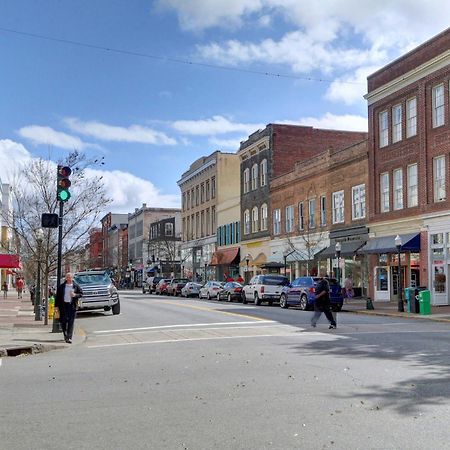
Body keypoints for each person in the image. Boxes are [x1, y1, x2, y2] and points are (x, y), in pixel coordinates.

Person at [55, 272, 82, 344]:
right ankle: (65, 334)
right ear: (66, 278)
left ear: (72, 278)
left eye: (70, 277)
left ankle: (69, 337)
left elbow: (81, 294)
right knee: (63, 321)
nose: (69, 279)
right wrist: (56, 307)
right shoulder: (61, 287)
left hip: (72, 306)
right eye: (67, 277)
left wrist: (75, 295)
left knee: (71, 321)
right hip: (63, 306)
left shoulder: (76, 286)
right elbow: (57, 297)